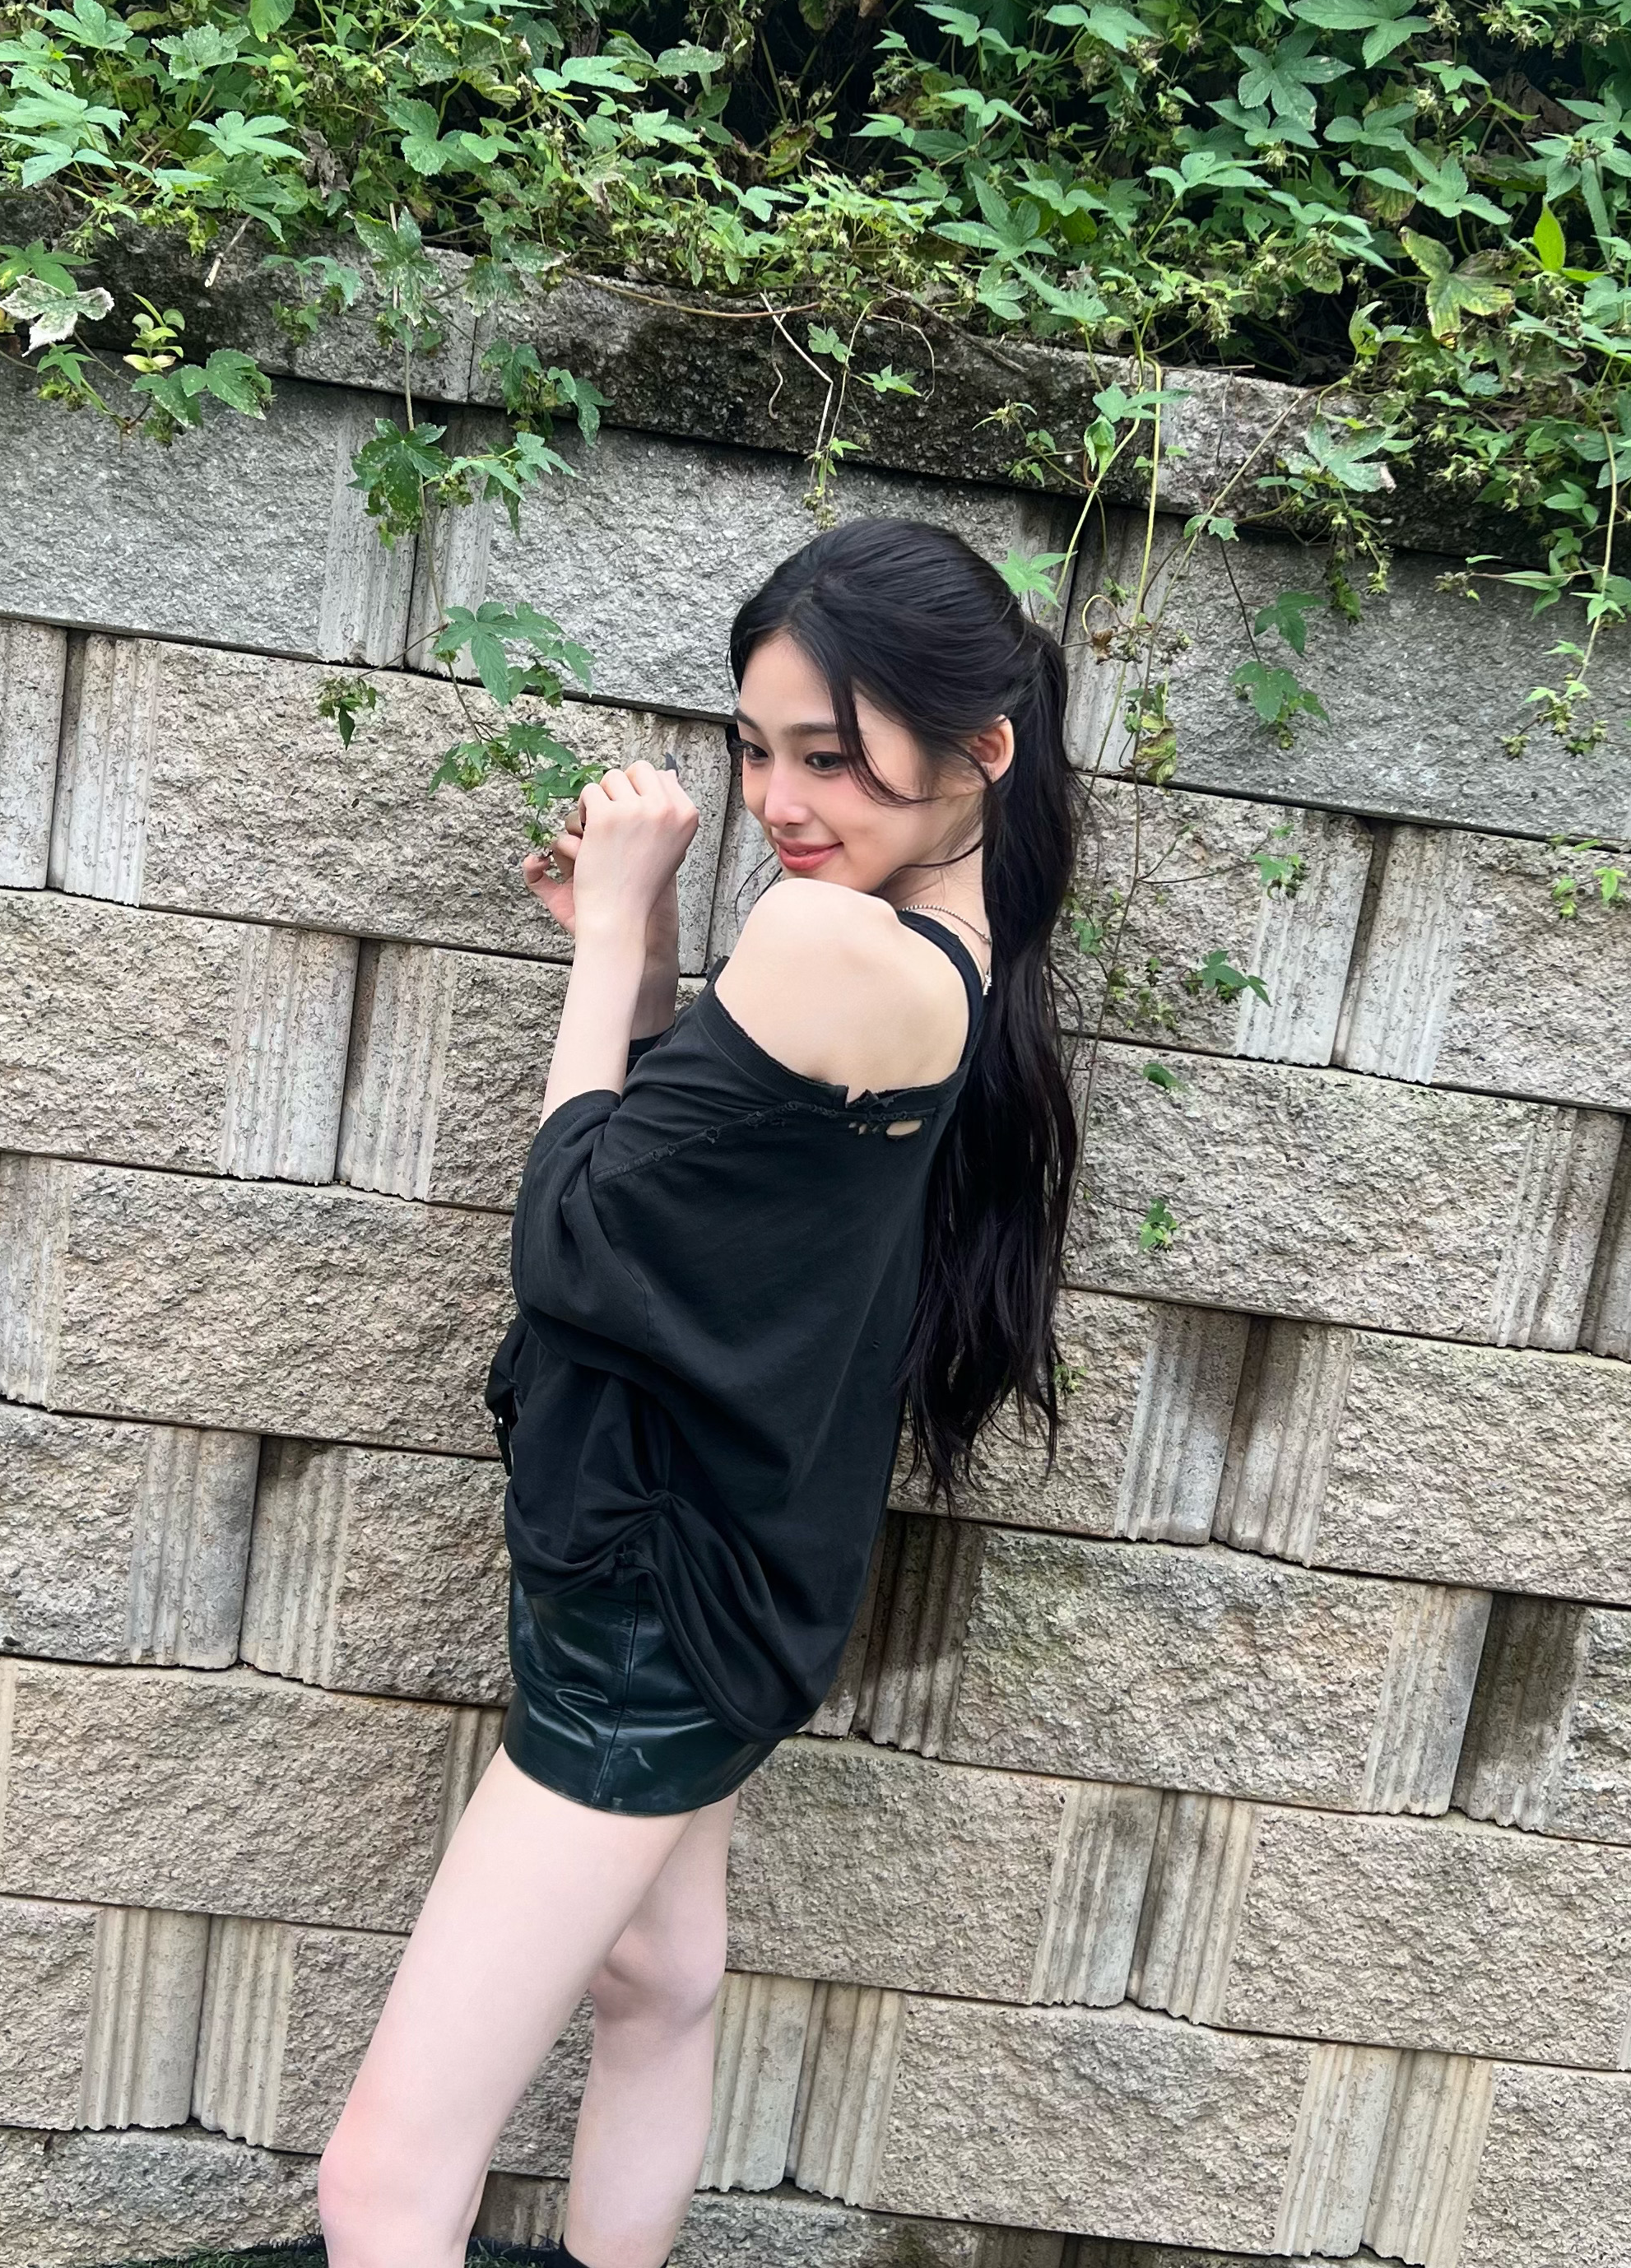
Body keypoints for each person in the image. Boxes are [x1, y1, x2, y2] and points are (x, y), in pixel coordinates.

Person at [317, 518, 1080, 2268]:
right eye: (755, 748)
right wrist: (648, 953)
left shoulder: (828, 942)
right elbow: (695, 1191)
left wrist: (608, 940)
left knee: (382, 2183)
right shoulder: (946, 952)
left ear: (982, 748)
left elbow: (576, 1240)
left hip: (645, 1609)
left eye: (829, 756)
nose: (781, 800)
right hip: (744, 1577)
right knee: (657, 1984)